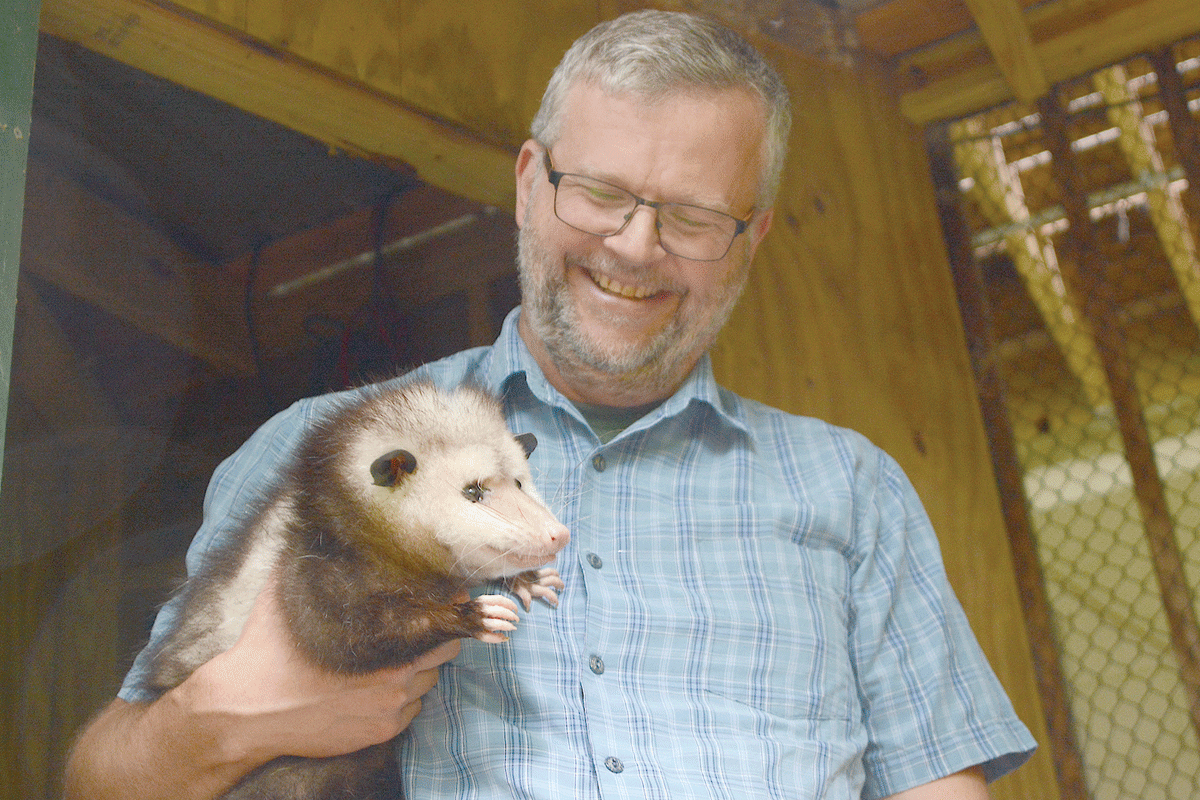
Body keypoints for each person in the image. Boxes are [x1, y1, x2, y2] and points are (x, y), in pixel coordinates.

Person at [64, 10, 1036, 799]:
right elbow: (105, 779)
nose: (636, 244)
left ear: (750, 237)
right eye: (601, 191)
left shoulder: (851, 485)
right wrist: (235, 714)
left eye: (692, 215)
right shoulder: (324, 451)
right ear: (531, 184)